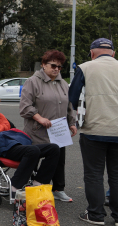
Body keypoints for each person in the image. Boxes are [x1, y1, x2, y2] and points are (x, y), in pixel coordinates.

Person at [68, 38, 118, 226]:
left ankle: (96, 214)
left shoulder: (85, 68)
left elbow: (72, 97)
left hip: (94, 129)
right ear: (113, 54)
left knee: (94, 174)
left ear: (92, 53)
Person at [0, 93, 61, 196]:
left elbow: (14, 130)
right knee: (32, 151)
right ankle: (14, 186)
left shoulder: (0, 117)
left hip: (11, 145)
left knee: (54, 148)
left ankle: (38, 182)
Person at [19, 50, 78, 202]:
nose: (57, 69)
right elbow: (25, 106)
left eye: (60, 67)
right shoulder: (32, 81)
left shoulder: (63, 83)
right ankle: (26, 186)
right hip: (37, 131)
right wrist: (39, 118)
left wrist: (72, 123)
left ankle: (58, 189)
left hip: (58, 131)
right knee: (33, 159)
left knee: (59, 161)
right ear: (44, 65)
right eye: (53, 65)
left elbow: (69, 106)